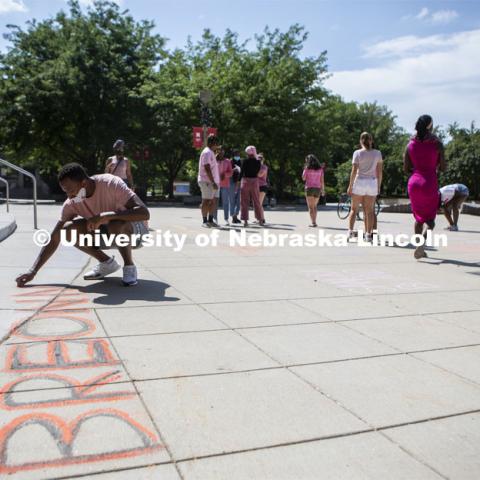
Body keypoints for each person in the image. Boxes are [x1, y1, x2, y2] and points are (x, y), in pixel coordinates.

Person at [15, 163, 149, 288]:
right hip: (106, 235)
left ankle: (129, 267)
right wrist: (33, 271)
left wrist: (107, 216)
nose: (69, 196)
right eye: (65, 192)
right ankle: (107, 263)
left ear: (84, 183)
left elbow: (144, 213)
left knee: (116, 223)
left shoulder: (110, 183)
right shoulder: (71, 203)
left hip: (136, 234)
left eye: (71, 190)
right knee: (67, 230)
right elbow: (54, 238)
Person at [404, 114, 446, 259]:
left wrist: (417, 171)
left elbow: (406, 168)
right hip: (429, 182)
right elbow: (443, 168)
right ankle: (421, 245)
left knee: (418, 219)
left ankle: (418, 247)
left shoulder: (409, 144)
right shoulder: (437, 144)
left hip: (414, 183)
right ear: (430, 126)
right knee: (430, 221)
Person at [347, 132, 383, 241]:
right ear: (371, 141)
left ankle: (350, 233)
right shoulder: (378, 153)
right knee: (370, 211)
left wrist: (350, 185)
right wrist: (378, 185)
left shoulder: (357, 153)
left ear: (360, 141)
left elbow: (354, 171)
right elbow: (380, 172)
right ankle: (368, 235)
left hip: (359, 182)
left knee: (354, 209)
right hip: (372, 182)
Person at [198, 134, 220, 228]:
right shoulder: (207, 152)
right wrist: (213, 182)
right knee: (206, 201)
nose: (217, 145)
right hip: (207, 181)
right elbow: (207, 168)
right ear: (212, 143)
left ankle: (211, 220)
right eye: (216, 143)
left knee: (212, 201)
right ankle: (204, 221)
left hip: (213, 181)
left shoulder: (211, 152)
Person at [240, 145, 265, 227]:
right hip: (254, 181)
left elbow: (242, 172)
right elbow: (257, 172)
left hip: (245, 181)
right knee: (256, 201)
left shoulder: (244, 161)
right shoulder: (258, 162)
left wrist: (238, 182)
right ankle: (260, 220)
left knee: (244, 202)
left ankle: (245, 221)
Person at [302, 154, 325, 227]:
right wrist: (323, 190)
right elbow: (322, 181)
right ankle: (314, 221)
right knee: (315, 206)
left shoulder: (307, 169)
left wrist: (305, 169)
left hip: (309, 188)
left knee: (310, 207)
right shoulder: (320, 169)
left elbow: (303, 178)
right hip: (317, 189)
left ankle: (313, 223)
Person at [217, 147, 233, 225]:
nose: (221, 154)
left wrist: (225, 175)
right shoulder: (213, 160)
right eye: (220, 152)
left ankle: (226, 219)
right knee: (215, 202)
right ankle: (214, 218)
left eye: (222, 152)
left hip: (225, 184)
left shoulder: (227, 161)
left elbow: (231, 172)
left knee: (226, 202)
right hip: (215, 184)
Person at [230, 149, 242, 224]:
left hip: (239, 181)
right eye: (236, 154)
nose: (238, 156)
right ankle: (233, 217)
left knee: (238, 201)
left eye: (238, 154)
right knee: (232, 200)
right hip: (232, 182)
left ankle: (236, 216)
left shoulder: (241, 161)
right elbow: (228, 171)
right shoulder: (230, 161)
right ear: (233, 155)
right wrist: (233, 170)